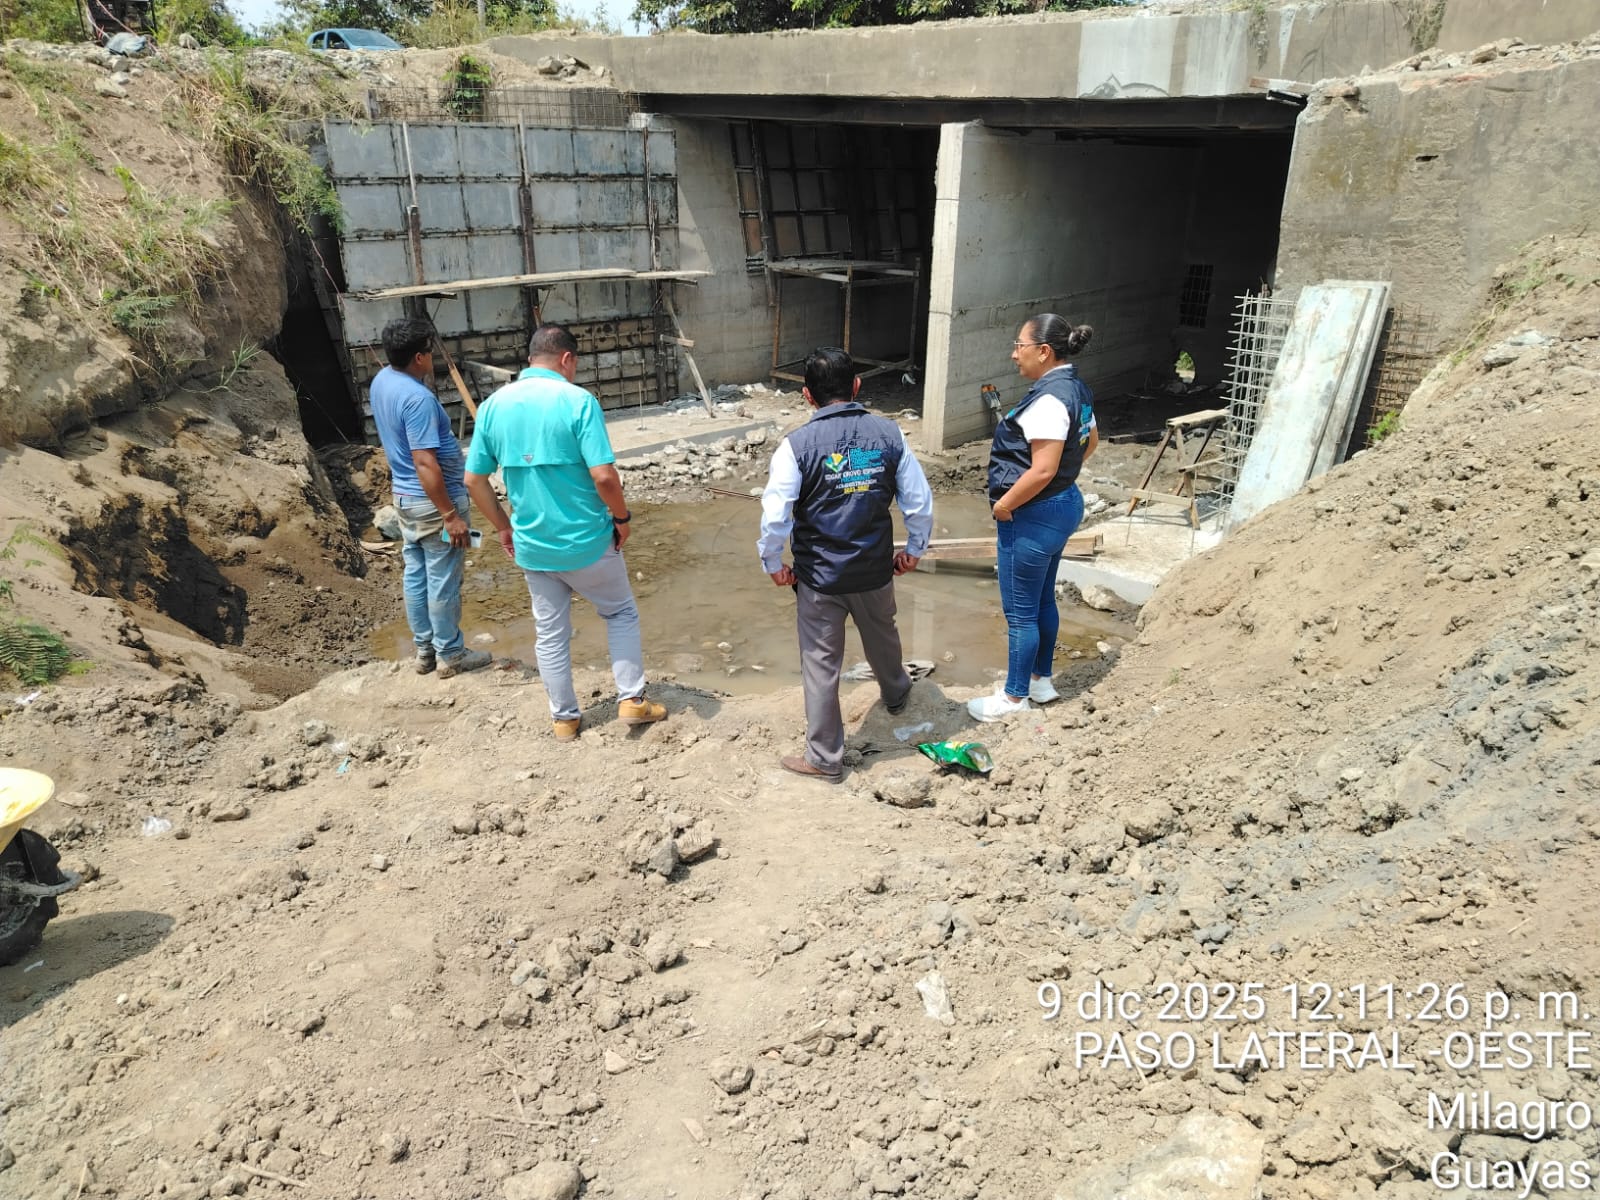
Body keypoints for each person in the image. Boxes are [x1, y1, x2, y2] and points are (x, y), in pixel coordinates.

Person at [464, 324, 666, 742]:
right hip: (588, 541)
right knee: (619, 613)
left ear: (530, 359)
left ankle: (564, 720)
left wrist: (503, 527)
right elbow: (604, 477)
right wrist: (622, 519)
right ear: (567, 359)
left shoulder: (493, 407)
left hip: (534, 546)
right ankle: (631, 699)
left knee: (550, 633)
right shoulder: (578, 401)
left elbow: (473, 481)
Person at [758, 346, 935, 782]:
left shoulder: (795, 447)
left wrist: (772, 562)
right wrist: (915, 549)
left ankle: (824, 759)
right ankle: (896, 692)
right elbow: (918, 501)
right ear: (856, 386)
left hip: (819, 578)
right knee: (882, 633)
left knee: (821, 663)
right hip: (875, 569)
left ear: (806, 395)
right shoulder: (890, 435)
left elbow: (776, 515)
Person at [968, 313, 1100, 722]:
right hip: (1063, 504)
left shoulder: (1048, 401)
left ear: (1043, 352)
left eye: (1019, 346)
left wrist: (1005, 505)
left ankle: (1014, 699)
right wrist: (1065, 475)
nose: (1014, 354)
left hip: (1034, 514)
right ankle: (1041, 682)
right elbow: (1091, 440)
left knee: (1021, 612)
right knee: (1042, 598)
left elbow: (1042, 470)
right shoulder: (1075, 387)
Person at [370, 317, 492, 679]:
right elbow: (425, 461)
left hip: (406, 499)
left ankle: (425, 652)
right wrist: (450, 515)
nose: (433, 358)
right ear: (420, 358)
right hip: (433, 503)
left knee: (417, 574)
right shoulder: (418, 399)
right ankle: (451, 654)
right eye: (430, 352)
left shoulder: (382, 381)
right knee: (443, 578)